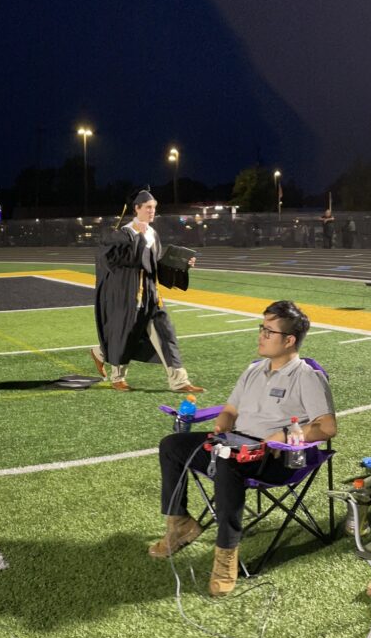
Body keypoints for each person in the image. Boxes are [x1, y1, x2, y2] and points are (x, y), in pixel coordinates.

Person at [148, 300, 337, 597]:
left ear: (289, 340)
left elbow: (327, 428)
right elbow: (231, 409)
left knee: (228, 462)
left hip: (278, 457)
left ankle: (226, 554)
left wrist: (282, 435)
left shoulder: (307, 377)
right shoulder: (253, 370)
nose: (261, 335)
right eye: (262, 328)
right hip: (236, 442)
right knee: (172, 445)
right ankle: (180, 523)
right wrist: (222, 424)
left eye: (269, 331)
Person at [89, 188, 203, 394]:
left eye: (154, 208)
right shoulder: (122, 234)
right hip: (129, 296)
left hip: (152, 295)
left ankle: (179, 381)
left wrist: (181, 264)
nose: (152, 211)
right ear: (136, 209)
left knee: (166, 333)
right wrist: (138, 238)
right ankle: (116, 375)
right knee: (125, 335)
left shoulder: (153, 234)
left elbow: (156, 265)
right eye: (148, 207)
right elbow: (116, 262)